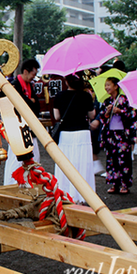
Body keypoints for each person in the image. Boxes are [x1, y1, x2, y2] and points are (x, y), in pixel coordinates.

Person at [52, 74, 96, 204]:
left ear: (66, 82)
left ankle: (65, 193)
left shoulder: (59, 96)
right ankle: (83, 195)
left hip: (66, 133)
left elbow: (57, 116)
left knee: (66, 163)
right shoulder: (86, 95)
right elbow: (92, 114)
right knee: (83, 164)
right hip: (82, 132)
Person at [4, 59, 41, 185]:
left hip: (31, 127)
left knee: (34, 158)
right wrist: (30, 101)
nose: (34, 77)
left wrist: (28, 101)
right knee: (16, 160)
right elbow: (20, 105)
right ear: (26, 72)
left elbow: (37, 108)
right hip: (17, 128)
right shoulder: (14, 85)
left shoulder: (30, 86)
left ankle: (28, 184)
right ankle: (11, 186)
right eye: (33, 74)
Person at [99, 77, 136, 194]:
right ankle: (114, 183)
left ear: (116, 86)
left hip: (122, 134)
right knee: (112, 159)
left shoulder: (124, 100)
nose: (106, 87)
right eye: (106, 85)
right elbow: (102, 118)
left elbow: (132, 114)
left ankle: (124, 184)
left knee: (124, 159)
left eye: (109, 85)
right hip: (110, 134)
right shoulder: (107, 101)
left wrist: (120, 111)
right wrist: (106, 113)